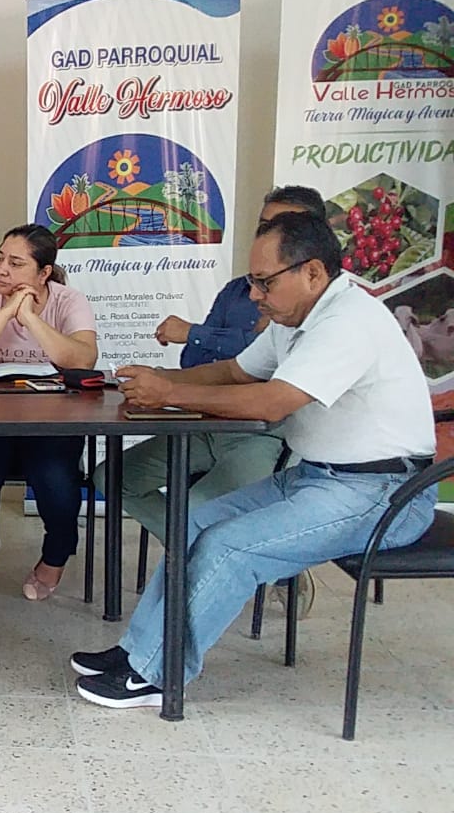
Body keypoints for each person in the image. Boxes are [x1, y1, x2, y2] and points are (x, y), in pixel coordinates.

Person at [72, 212, 437, 708]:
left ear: (312, 272)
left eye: (265, 282)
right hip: (318, 476)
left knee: (229, 548)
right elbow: (236, 372)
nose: (254, 294)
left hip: (385, 493)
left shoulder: (348, 322)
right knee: (193, 525)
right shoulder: (296, 317)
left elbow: (271, 402)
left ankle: (157, 674)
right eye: (252, 280)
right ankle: (141, 649)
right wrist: (157, 377)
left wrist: (169, 395)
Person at [94, 185, 326, 616]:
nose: (268, 234)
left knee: (196, 515)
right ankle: (229, 555)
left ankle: (229, 560)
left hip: (264, 437)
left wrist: (194, 338)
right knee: (112, 476)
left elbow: (268, 393)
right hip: (205, 423)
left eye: (282, 225)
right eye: (264, 225)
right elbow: (221, 364)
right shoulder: (240, 291)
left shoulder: (318, 312)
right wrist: (161, 378)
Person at [0, 224, 98, 599]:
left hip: (51, 423)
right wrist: (6, 312)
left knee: (58, 486)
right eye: (0, 259)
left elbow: (83, 360)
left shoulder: (69, 301)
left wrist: (30, 318)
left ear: (44, 273)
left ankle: (54, 559)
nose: (1, 270)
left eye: (15, 264)